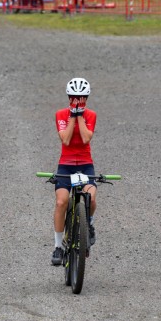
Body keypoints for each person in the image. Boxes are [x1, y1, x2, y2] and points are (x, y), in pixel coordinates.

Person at [51, 77, 97, 266]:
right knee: (61, 201)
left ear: (86, 98)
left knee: (91, 198)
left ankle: (90, 225)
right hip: (66, 165)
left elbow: (86, 138)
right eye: (74, 97)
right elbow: (66, 140)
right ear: (69, 97)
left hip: (85, 165)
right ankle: (58, 247)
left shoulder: (91, 115)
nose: (78, 100)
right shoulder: (60, 114)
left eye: (82, 98)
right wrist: (72, 115)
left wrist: (80, 115)